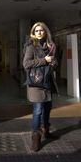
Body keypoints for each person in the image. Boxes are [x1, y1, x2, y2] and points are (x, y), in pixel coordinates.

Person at [23, 22, 58, 152]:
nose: (39, 32)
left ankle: (46, 131)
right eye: (36, 30)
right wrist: (45, 61)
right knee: (38, 110)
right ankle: (35, 138)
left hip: (48, 83)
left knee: (48, 109)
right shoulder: (31, 46)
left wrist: (53, 62)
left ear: (45, 32)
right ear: (33, 33)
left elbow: (54, 62)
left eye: (41, 30)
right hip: (36, 83)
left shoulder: (51, 46)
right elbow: (26, 64)